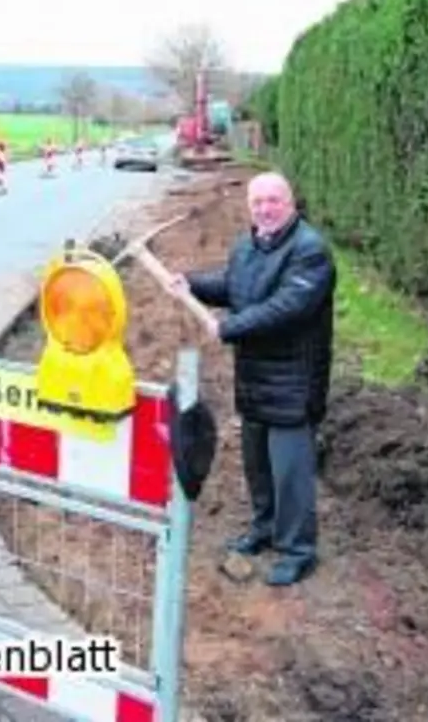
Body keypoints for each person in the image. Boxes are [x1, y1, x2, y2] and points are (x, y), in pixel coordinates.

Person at [166, 171, 336, 586]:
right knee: (257, 465)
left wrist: (230, 328)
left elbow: (286, 308)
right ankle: (264, 528)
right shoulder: (249, 245)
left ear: (291, 203)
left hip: (293, 383)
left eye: (273, 200)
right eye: (257, 201)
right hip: (255, 377)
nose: (264, 208)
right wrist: (193, 285)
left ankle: (299, 550)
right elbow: (233, 285)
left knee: (290, 472)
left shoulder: (310, 252)